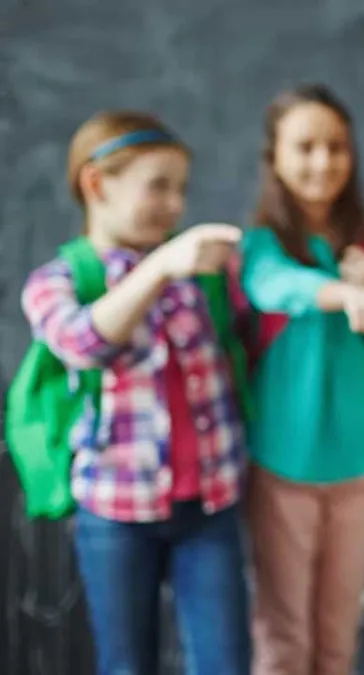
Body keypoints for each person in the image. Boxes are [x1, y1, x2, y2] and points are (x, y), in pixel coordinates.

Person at [19, 111, 252, 675]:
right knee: (127, 662)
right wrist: (159, 270)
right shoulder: (60, 281)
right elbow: (82, 342)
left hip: (210, 505)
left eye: (181, 189)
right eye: (158, 186)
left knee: (226, 660)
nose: (175, 205)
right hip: (115, 511)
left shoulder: (201, 275)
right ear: (97, 184)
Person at [238, 84, 364, 675]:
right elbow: (275, 287)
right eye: (305, 146)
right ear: (276, 157)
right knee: (284, 640)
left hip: (359, 472)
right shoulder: (264, 247)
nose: (322, 162)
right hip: (283, 469)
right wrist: (348, 293)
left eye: (336, 146)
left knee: (338, 642)